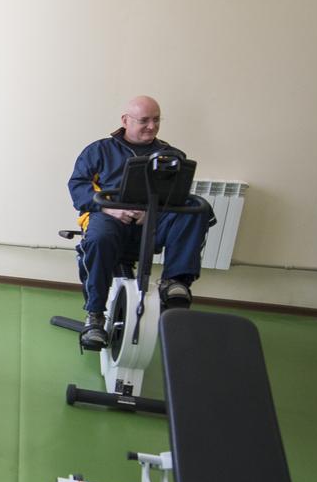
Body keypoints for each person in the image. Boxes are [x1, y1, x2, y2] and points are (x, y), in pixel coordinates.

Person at [67, 95, 211, 350]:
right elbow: (78, 188)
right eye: (144, 120)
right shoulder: (99, 150)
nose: (152, 126)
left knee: (198, 209)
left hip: (153, 224)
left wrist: (154, 213)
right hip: (110, 219)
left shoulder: (171, 155)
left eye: (156, 120)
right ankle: (95, 316)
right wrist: (109, 208)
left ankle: (175, 283)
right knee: (99, 238)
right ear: (125, 121)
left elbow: (175, 196)